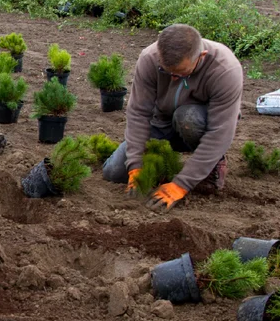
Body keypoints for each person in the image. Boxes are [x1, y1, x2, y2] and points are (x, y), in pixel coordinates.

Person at [102, 24, 244, 211]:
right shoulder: (150, 58)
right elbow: (139, 113)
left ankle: (212, 166)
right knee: (113, 171)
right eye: (167, 72)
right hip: (160, 123)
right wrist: (135, 165)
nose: (173, 78)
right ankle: (164, 166)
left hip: (198, 126)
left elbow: (220, 133)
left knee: (187, 118)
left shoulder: (225, 70)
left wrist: (181, 185)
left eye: (181, 73)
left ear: (200, 57)